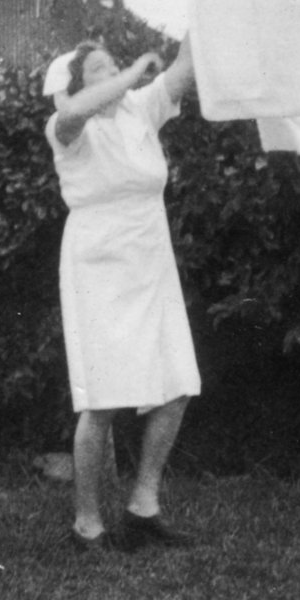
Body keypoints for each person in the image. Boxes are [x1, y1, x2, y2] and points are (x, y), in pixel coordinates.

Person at [45, 36, 200, 551]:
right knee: (104, 400)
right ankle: (86, 525)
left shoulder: (140, 108)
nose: (111, 73)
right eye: (96, 69)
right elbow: (76, 110)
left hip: (150, 260)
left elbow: (184, 66)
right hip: (99, 264)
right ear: (74, 84)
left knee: (177, 384)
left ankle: (143, 507)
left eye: (112, 64)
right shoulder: (65, 126)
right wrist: (132, 70)